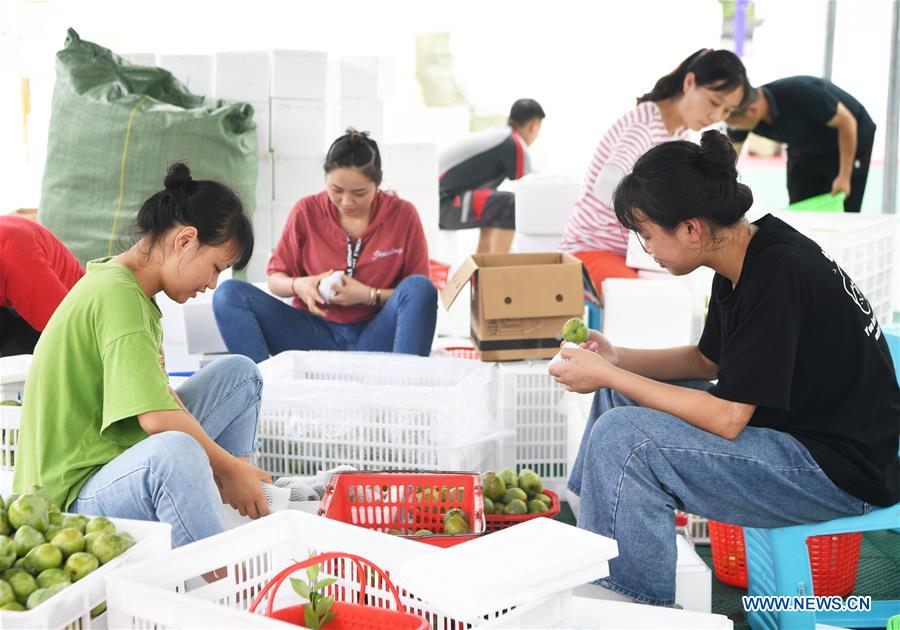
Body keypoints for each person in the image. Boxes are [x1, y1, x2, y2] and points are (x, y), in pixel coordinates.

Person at [550, 130, 899, 606]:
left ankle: (632, 608)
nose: (645, 246)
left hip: (837, 469)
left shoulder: (777, 275)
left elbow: (728, 417)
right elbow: (706, 360)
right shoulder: (746, 253)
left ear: (691, 229)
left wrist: (608, 373)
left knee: (623, 438)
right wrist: (616, 360)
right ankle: (595, 550)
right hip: (796, 432)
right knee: (621, 396)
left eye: (648, 233)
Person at [12, 163, 270, 547]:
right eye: (216, 268)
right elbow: (156, 419)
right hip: (66, 500)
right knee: (176, 451)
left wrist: (230, 469)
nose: (213, 284)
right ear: (185, 240)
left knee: (241, 376)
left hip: (111, 459)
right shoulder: (120, 298)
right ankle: (224, 571)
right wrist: (226, 464)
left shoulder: (130, 289)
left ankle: (230, 510)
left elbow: (162, 397)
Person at [213, 129, 437, 361]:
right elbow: (275, 280)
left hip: (376, 336)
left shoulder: (403, 215)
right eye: (336, 190)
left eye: (360, 192)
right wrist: (300, 285)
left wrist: (369, 295)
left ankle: (406, 389)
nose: (347, 202)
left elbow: (417, 295)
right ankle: (259, 390)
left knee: (421, 288)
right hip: (313, 334)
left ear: (378, 180)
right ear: (325, 178)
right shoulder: (306, 211)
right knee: (228, 295)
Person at [559, 49, 748, 297]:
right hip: (594, 249)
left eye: (726, 111)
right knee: (648, 304)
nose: (716, 116)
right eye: (714, 102)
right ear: (689, 82)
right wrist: (651, 218)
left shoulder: (677, 133)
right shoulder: (644, 125)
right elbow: (607, 184)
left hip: (637, 255)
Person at [727, 76, 875, 213]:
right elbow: (731, 158)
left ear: (752, 111)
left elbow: (847, 123)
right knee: (800, 205)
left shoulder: (803, 93)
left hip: (850, 138)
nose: (732, 129)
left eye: (734, 125)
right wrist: (724, 188)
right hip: (805, 145)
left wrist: (844, 176)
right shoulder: (741, 116)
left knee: (843, 205)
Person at [438, 98, 545, 254]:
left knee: (495, 206)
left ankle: (484, 271)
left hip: (440, 205)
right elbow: (532, 184)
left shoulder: (500, 137)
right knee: (511, 204)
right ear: (533, 126)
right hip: (446, 205)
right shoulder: (512, 142)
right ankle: (497, 269)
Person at [0, 215, 84, 356]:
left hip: (72, 314)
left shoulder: (19, 265)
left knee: (16, 362)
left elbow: (73, 332)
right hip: (13, 304)